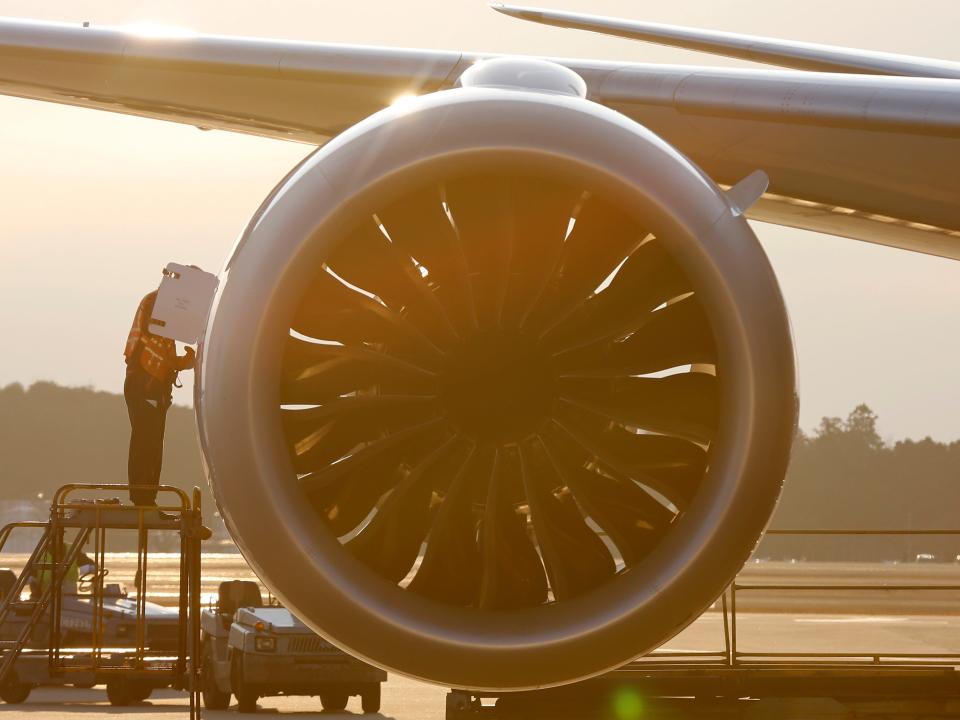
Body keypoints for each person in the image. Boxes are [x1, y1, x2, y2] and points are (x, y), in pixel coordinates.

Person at [123, 286, 196, 507]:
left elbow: (164, 355)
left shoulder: (162, 307)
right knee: (146, 442)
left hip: (152, 387)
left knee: (152, 444)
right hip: (144, 385)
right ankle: (142, 497)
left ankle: (146, 496)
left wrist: (183, 361)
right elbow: (158, 349)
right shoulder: (157, 304)